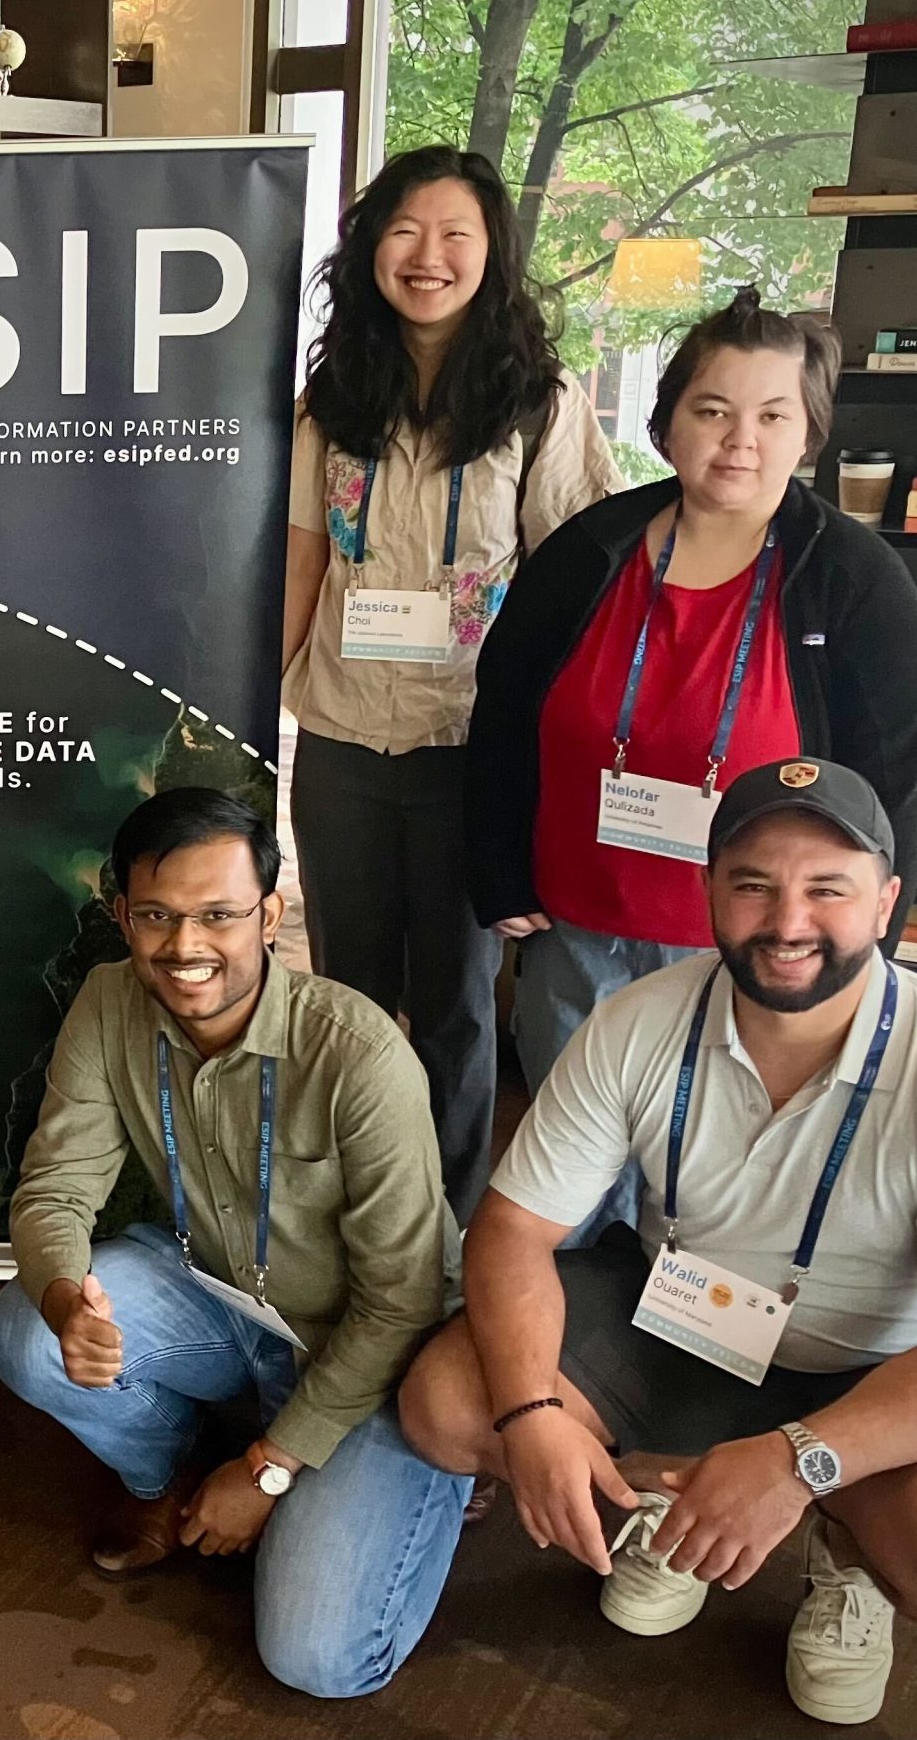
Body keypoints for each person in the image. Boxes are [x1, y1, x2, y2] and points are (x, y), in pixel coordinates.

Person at [400, 758, 917, 1727]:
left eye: (827, 889)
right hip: (683, 1322)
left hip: (875, 1374)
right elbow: (512, 1229)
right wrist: (533, 1413)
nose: (788, 921)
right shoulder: (636, 1024)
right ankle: (683, 1506)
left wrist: (800, 1462)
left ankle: (836, 1545)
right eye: (753, 884)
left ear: (885, 902)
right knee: (449, 1405)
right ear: (709, 890)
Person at [0, 788, 470, 1700]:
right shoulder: (108, 1002)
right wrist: (64, 1300)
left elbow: (401, 1302)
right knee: (26, 1332)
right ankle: (165, 1472)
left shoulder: (357, 1054)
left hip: (371, 1355)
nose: (185, 946)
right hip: (219, 1294)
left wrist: (269, 1469)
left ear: (270, 916)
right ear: (123, 915)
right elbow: (54, 1189)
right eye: (157, 916)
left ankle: (420, 1476)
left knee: (319, 1659)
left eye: (218, 914)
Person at [465, 287, 917, 1098]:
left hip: (755, 949)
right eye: (713, 410)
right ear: (668, 425)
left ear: (808, 434)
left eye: (772, 416)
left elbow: (899, 782)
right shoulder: (588, 551)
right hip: (574, 931)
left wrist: (865, 946)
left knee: (718, 1151)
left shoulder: (854, 582)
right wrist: (499, 868)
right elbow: (503, 712)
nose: (740, 440)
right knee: (574, 1146)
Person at [282, 145, 621, 1220]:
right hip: (341, 735)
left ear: (491, 255)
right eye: (404, 231)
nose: (427, 257)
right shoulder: (333, 399)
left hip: (470, 745)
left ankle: (444, 1227)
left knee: (457, 1007)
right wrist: (267, 697)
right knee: (345, 997)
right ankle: (348, 1213)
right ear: (369, 249)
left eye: (454, 236)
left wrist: (551, 763)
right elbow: (302, 558)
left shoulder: (539, 402)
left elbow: (577, 580)